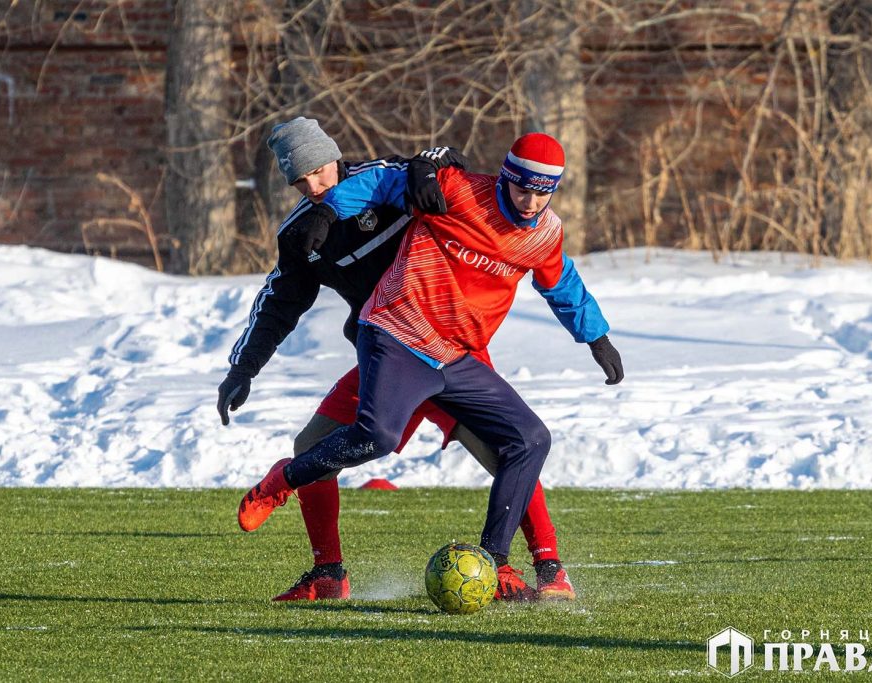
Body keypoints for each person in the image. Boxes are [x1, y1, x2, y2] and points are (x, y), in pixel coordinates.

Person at [237, 132, 624, 591]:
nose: (531, 200)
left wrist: (596, 337)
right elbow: (377, 189)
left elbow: (562, 282)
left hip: (458, 356)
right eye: (302, 183)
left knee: (524, 442)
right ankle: (316, 552)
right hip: (395, 339)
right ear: (507, 178)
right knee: (361, 439)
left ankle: (511, 564)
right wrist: (326, 211)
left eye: (543, 191)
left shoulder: (539, 230)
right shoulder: (442, 195)